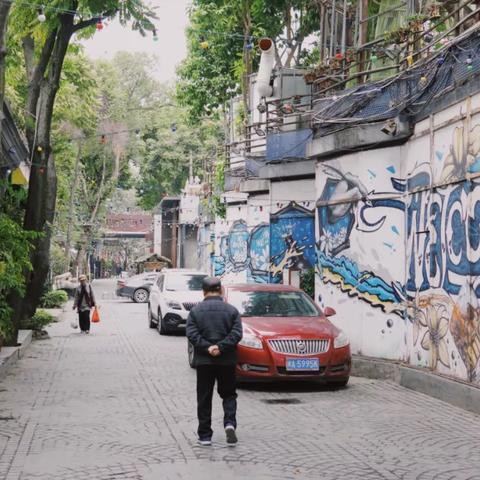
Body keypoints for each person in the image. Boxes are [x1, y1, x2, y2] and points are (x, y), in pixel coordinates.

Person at [186, 277, 243, 447]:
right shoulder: (232, 311)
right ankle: (229, 423)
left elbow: (191, 333)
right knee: (229, 394)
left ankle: (205, 436)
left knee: (204, 397)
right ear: (221, 290)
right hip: (227, 360)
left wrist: (208, 347)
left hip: (204, 361)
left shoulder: (195, 311)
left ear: (203, 291)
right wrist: (221, 347)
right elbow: (236, 334)